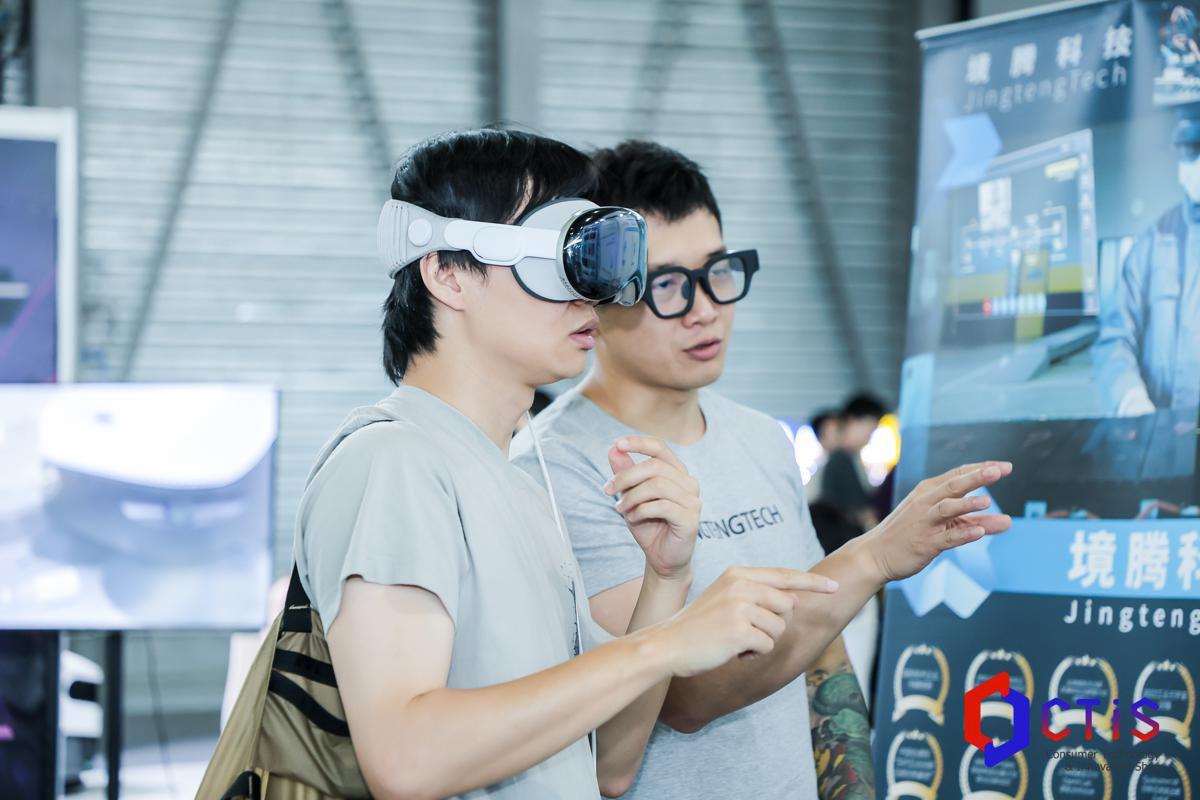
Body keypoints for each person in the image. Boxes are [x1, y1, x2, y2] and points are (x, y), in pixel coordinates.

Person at [295, 129, 842, 800]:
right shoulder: (393, 460)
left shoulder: (522, 485)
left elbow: (611, 765)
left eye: (594, 262)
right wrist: (665, 645)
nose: (592, 295)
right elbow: (404, 759)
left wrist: (665, 580)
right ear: (448, 273)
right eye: (556, 259)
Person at [512, 139, 1013, 800]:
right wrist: (872, 557)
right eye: (667, 284)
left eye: (717, 271)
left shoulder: (759, 438)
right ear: (597, 293)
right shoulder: (555, 469)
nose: (706, 308)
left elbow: (820, 648)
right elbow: (683, 697)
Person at [1093, 109, 1200, 416]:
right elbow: (1115, 339)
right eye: (1191, 153)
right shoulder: (1152, 243)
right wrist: (1129, 397)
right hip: (1162, 427)